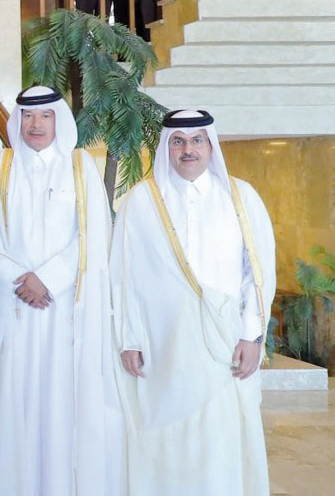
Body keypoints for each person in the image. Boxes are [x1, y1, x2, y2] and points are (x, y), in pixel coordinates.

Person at [0, 87, 123, 495]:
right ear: (17, 121)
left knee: (61, 405)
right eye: (28, 117)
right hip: (12, 309)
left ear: (59, 121)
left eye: (45, 117)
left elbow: (92, 234)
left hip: (62, 310)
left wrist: (48, 280)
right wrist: (21, 281)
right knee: (11, 403)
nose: (35, 125)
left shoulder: (81, 167)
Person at [111, 109, 275, 495]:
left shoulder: (241, 197)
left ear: (210, 146)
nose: (188, 150)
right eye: (179, 141)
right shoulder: (140, 202)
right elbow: (123, 275)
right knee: (165, 438)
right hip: (160, 347)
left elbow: (257, 274)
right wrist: (129, 338)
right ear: (167, 147)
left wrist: (252, 336)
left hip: (225, 347)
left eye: (197, 140)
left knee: (220, 439)